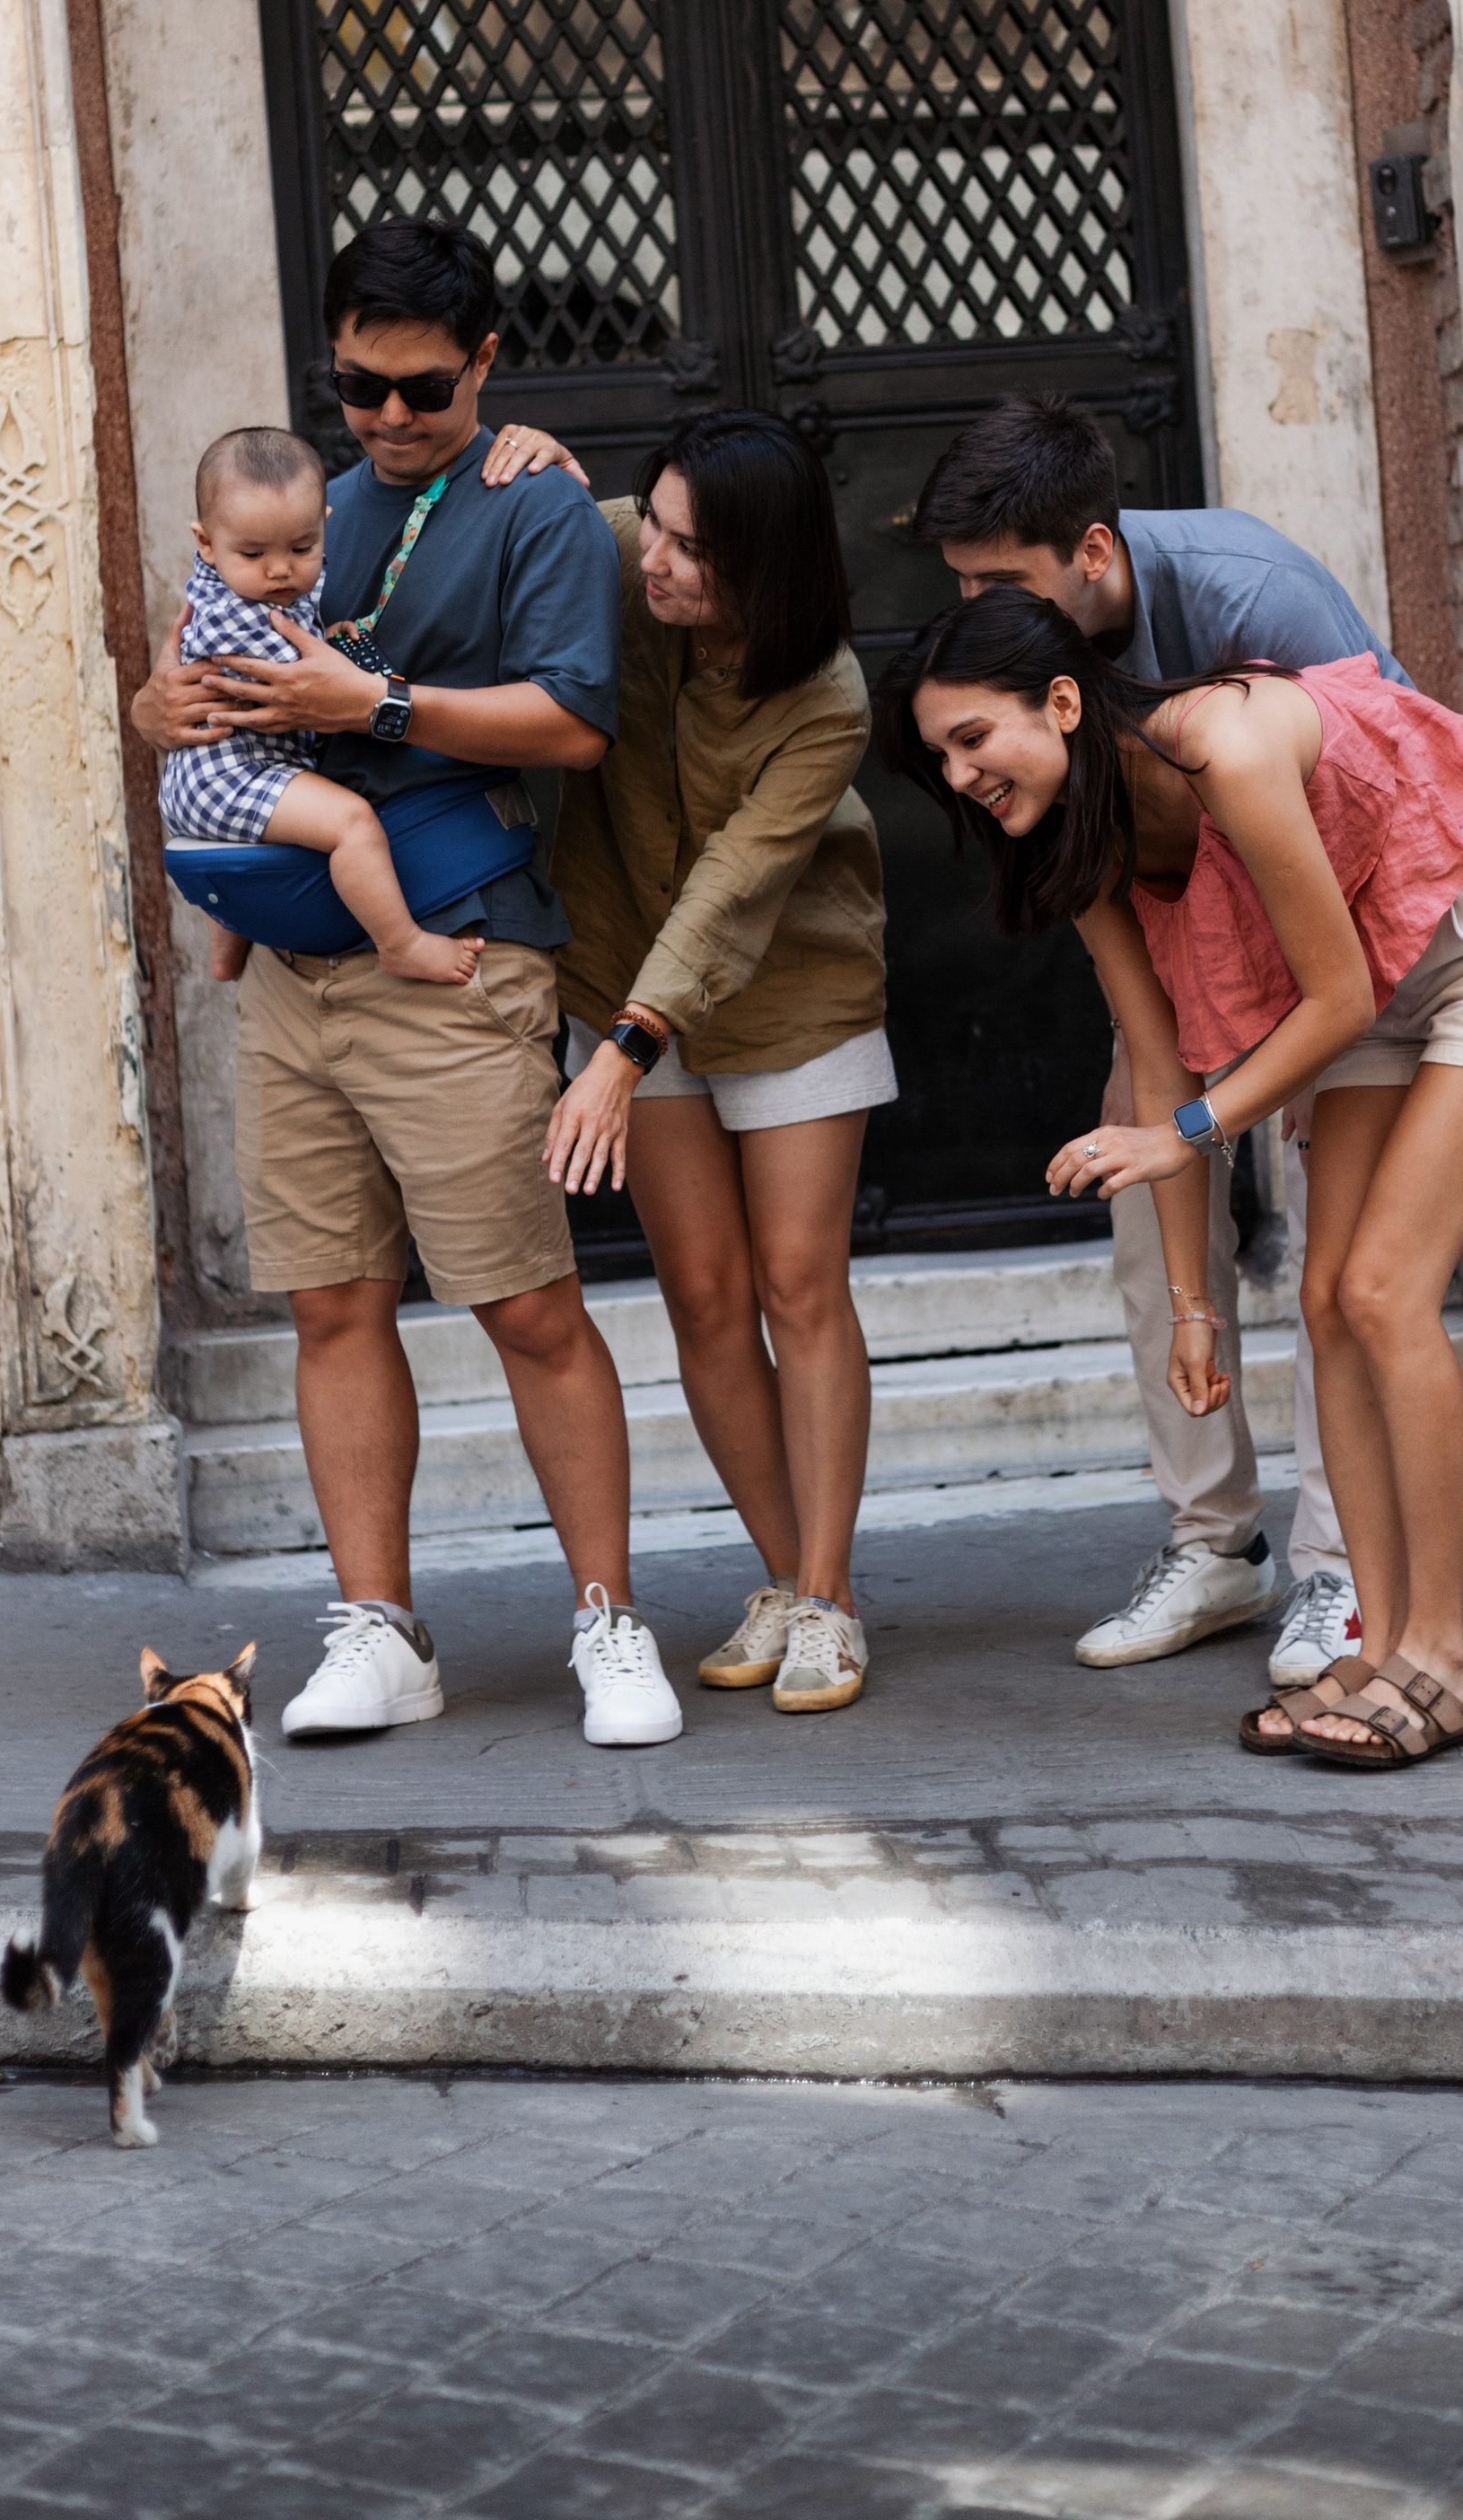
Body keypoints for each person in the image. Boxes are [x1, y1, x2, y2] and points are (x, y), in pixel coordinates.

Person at [886, 592, 1463, 1762]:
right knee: (1329, 1304)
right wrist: (1190, 1304)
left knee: (1383, 1289)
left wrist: (1185, 1132)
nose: (960, 774)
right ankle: (1375, 1651)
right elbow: (1162, 1077)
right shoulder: (1090, 855)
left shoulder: (1221, 744)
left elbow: (1303, 1020)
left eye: (974, 738)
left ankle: (1445, 1659)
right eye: (939, 758)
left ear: (1063, 702)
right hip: (1377, 976)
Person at [129, 219, 683, 1754]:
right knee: (327, 1306)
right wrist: (156, 700)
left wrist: (368, 698)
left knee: (526, 1305)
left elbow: (576, 725)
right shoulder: (300, 505)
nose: (385, 418)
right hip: (298, 966)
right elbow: (187, 676)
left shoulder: (539, 508)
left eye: (422, 389)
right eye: (358, 386)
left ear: (488, 364)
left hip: (455, 953)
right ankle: (380, 1626)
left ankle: (607, 1619)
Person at [910, 396, 1398, 1682]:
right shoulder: (1042, 740)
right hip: (1187, 958)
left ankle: (1343, 1571)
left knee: (1336, 1265)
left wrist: (1261, 1077)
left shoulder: (1254, 599)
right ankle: (1215, 1544)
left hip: (1333, 955)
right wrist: (1177, 1146)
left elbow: (1380, 793)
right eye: (957, 585)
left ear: (1093, 554)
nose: (979, 611)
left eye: (1000, 583)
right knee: (1149, 1204)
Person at [485, 409, 893, 1717]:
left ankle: (829, 1602)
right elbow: (469, 546)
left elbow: (734, 887)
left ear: (763, 568)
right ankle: (783, 1575)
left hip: (791, 996)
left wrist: (618, 1052)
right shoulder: (610, 556)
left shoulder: (823, 694)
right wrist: (523, 462)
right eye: (650, 522)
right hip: (617, 978)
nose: (652, 560)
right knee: (706, 1297)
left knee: (797, 1282)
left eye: (689, 548)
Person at [158, 425, 485, 987]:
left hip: (205, 777)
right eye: (254, 553)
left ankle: (225, 956)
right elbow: (304, 678)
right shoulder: (238, 614)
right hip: (229, 776)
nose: (280, 570)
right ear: (205, 543)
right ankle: (400, 943)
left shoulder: (244, 587)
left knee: (243, 850)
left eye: (301, 548)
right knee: (352, 824)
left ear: (324, 528)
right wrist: (358, 673)